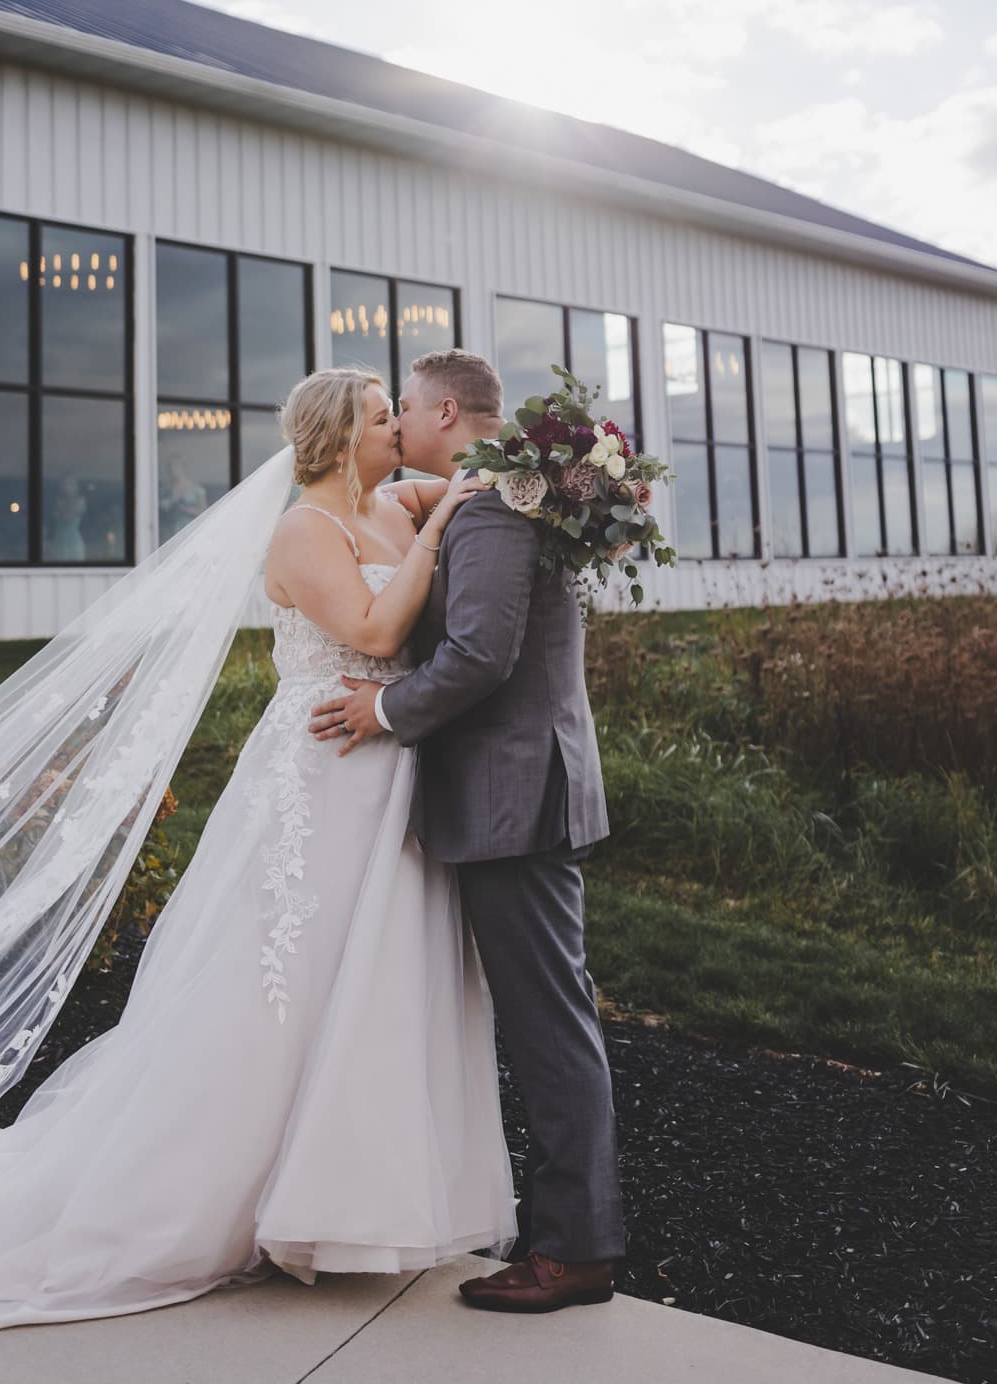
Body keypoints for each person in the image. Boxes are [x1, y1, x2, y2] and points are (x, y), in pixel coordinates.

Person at [0, 366, 514, 1333]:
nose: (397, 427)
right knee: (278, 977)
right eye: (378, 417)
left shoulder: (394, 502)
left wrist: (574, 478)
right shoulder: (302, 532)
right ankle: (217, 1192)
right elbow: (372, 626)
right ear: (334, 438)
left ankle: (347, 1199)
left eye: (396, 414)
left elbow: (492, 476)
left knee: (372, 979)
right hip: (316, 773)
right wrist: (440, 534)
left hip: (387, 772)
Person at [311, 347, 626, 1314]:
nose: (398, 426)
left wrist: (385, 710)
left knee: (547, 1024)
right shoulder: (495, 496)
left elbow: (481, 653)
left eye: (404, 409)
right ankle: (566, 1234)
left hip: (511, 794)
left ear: (445, 410)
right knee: (546, 1014)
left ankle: (574, 1252)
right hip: (522, 786)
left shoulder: (494, 507)